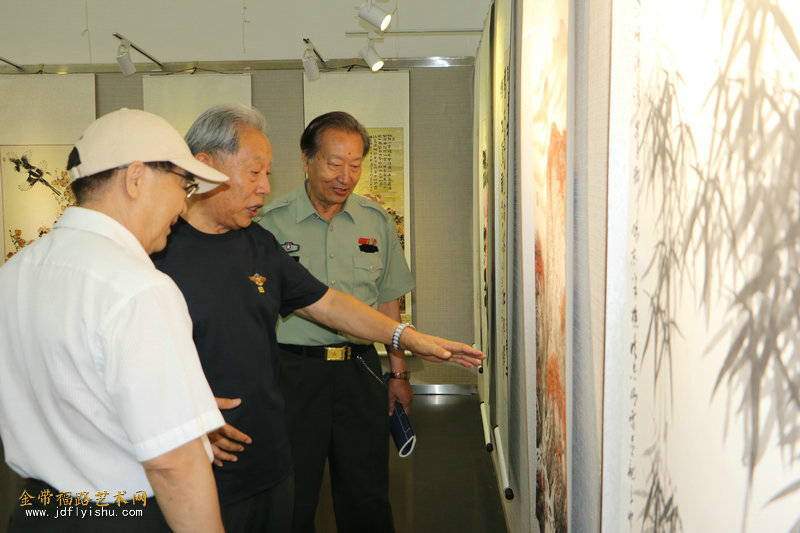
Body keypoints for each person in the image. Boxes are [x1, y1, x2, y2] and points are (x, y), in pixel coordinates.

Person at [151, 103, 484, 533]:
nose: (264, 188)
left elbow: (328, 303)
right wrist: (182, 410)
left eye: (267, 174)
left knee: (349, 497)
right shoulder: (160, 250)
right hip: (201, 448)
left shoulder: (257, 243)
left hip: (273, 439)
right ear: (206, 166)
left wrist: (406, 338)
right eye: (254, 174)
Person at [0, 108, 230, 533]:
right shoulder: (139, 288)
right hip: (120, 517)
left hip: (36, 511)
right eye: (186, 186)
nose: (184, 205)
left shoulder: (14, 273)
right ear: (136, 178)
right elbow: (173, 463)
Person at [259, 111, 412, 533]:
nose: (345, 176)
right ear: (306, 159)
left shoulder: (377, 222)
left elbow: (388, 303)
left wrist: (398, 374)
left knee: (366, 492)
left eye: (355, 163)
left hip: (359, 370)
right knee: (293, 493)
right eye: (333, 163)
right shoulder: (268, 223)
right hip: (291, 372)